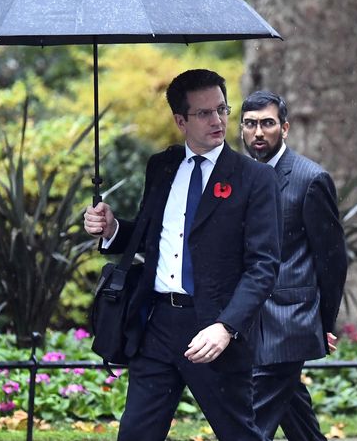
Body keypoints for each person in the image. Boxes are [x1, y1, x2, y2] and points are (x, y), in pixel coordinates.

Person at [84, 70, 282, 441]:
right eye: (204, 113)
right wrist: (112, 229)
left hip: (214, 328)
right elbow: (150, 238)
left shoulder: (254, 178)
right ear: (180, 121)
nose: (217, 120)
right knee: (136, 434)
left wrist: (226, 327)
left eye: (222, 109)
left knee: (239, 434)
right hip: (156, 324)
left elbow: (264, 266)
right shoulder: (162, 166)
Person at [241, 91, 348, 441]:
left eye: (267, 124)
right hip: (246, 318)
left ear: (284, 128)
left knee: (249, 421)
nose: (259, 132)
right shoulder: (235, 175)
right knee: (292, 407)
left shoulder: (310, 179)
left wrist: (324, 322)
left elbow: (331, 260)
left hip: (290, 320)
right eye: (250, 124)